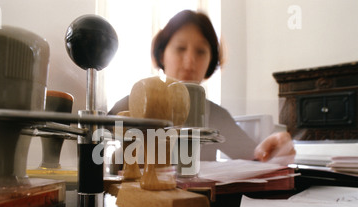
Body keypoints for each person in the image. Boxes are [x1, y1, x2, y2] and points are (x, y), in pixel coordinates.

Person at [108, 10, 295, 164]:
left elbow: (256, 157)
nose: (190, 62)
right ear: (161, 54)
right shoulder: (132, 103)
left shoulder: (217, 115)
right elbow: (96, 141)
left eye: (201, 52)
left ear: (211, 62)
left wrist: (276, 148)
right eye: (180, 48)